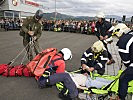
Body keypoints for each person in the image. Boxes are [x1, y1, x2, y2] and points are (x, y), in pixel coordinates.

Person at [112, 23, 133, 100]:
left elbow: (126, 61)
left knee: (123, 78)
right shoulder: (131, 34)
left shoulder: (123, 41)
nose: (117, 38)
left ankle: (120, 97)